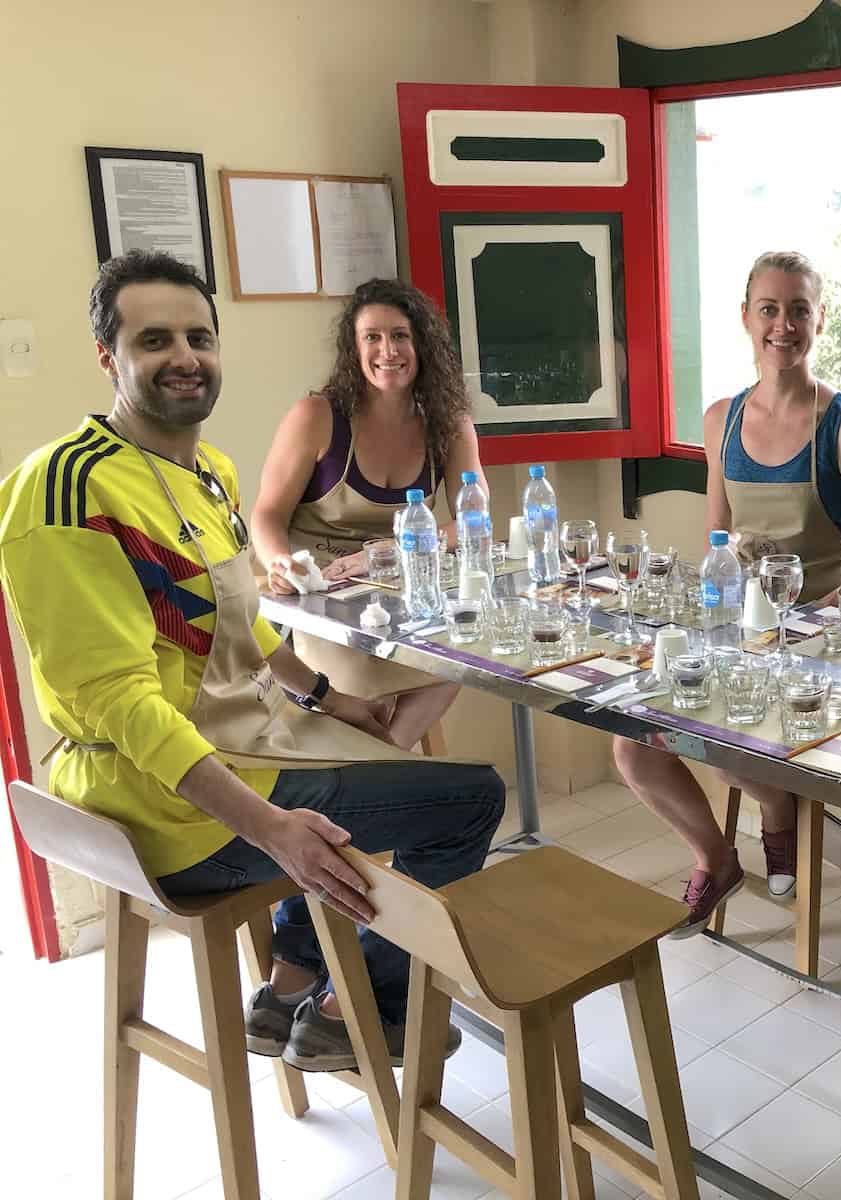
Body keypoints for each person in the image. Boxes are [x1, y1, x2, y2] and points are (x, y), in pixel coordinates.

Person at [0, 251, 505, 1072]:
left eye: (199, 336)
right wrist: (270, 830)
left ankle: (290, 983)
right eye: (155, 339)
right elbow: (117, 702)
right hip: (164, 804)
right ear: (109, 358)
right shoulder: (65, 488)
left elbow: (245, 634)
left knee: (382, 762)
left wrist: (332, 702)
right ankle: (364, 1008)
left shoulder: (205, 471)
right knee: (469, 797)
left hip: (247, 747)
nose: (184, 357)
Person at [613, 250, 841, 934]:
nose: (783, 325)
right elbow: (718, 535)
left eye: (798, 309)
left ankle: (783, 807)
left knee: (749, 726)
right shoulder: (722, 419)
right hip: (744, 632)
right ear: (745, 318)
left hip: (824, 639)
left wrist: (807, 619)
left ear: (819, 321)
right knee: (632, 742)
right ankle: (718, 855)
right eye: (769, 309)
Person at [252, 279, 483, 749]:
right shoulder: (317, 416)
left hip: (401, 592)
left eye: (400, 335)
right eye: (372, 337)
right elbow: (267, 515)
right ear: (354, 349)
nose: (388, 350)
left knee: (469, 653)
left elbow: (474, 520)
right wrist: (281, 563)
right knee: (356, 673)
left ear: (422, 344)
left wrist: (392, 552)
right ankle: (387, 763)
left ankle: (382, 760)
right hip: (319, 601)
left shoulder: (451, 424)